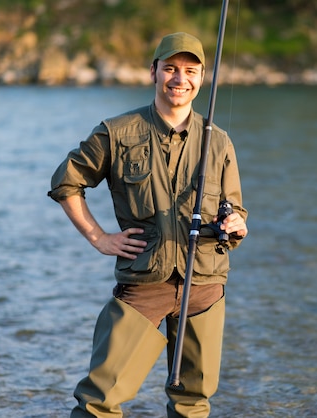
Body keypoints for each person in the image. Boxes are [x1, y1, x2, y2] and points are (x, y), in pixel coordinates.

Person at [48, 32, 248, 418]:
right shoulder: (116, 132)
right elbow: (66, 182)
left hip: (204, 285)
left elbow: (236, 210)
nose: (180, 79)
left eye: (190, 71)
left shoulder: (220, 142)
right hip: (143, 284)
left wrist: (237, 224)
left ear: (202, 77)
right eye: (170, 68)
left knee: (193, 403)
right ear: (153, 72)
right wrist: (98, 237)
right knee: (98, 401)